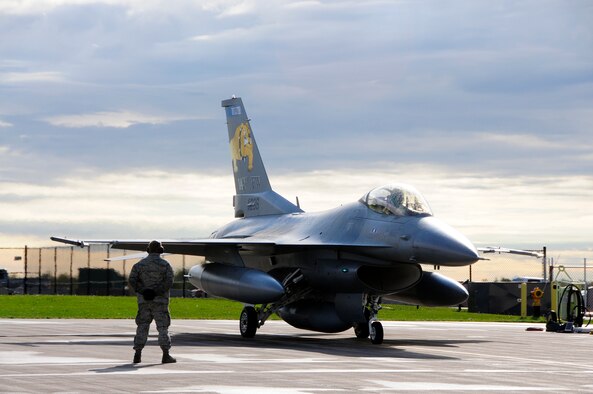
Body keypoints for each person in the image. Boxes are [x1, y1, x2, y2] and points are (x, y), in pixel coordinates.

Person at [128, 240, 176, 364]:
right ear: (161, 250)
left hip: (144, 301)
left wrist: (143, 291)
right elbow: (169, 282)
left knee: (142, 326)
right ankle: (166, 355)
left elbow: (132, 280)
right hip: (160, 302)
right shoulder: (165, 265)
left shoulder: (139, 265)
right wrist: (156, 292)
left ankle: (137, 354)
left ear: (148, 250)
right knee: (163, 328)